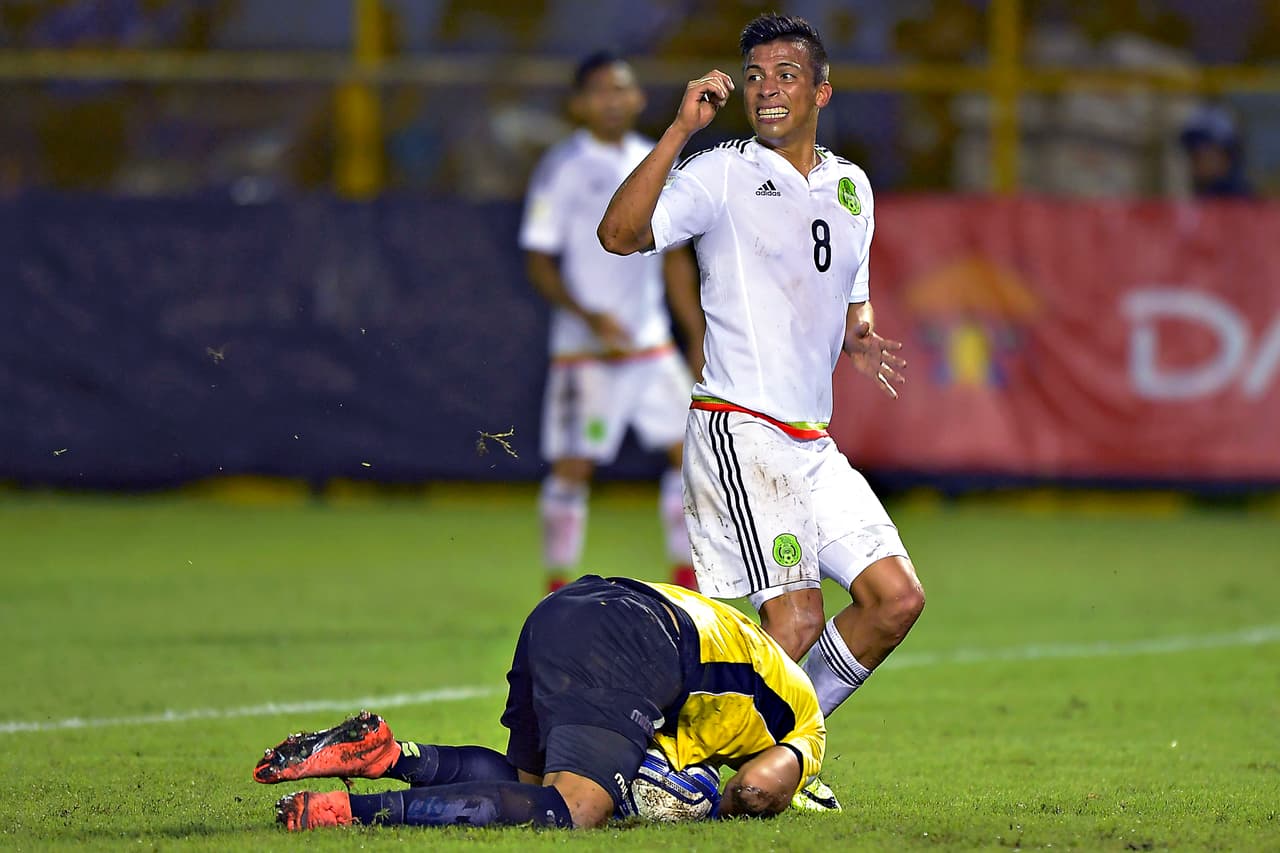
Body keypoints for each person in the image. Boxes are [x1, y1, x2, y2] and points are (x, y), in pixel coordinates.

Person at [598, 13, 925, 811]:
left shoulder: (852, 187)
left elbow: (850, 298)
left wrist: (858, 335)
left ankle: (780, 753)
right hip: (741, 425)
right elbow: (619, 234)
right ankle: (665, 765)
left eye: (785, 74)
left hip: (811, 441)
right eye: (754, 75)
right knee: (796, 618)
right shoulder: (720, 172)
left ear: (821, 91)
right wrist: (680, 129)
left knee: (894, 600)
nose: (766, 89)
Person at [254, 575, 825, 830]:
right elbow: (756, 789)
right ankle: (348, 814)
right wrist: (714, 810)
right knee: (575, 810)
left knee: (528, 788)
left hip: (571, 606)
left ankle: (391, 755)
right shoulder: (805, 725)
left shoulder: (753, 662)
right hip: (631, 639)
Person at [519, 51, 705, 594]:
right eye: (601, 90)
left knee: (691, 457)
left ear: (639, 98)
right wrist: (588, 317)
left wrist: (695, 334)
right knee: (574, 467)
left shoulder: (654, 159)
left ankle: (685, 579)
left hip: (650, 345)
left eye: (621, 89)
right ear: (579, 104)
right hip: (588, 352)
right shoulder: (563, 167)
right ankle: (556, 586)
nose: (613, 100)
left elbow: (674, 257)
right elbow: (539, 258)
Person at [1179, 105, 1252, 198]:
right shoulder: (1200, 197)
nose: (1196, 161)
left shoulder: (1244, 201)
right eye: (1192, 152)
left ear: (1228, 155)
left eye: (1205, 151)